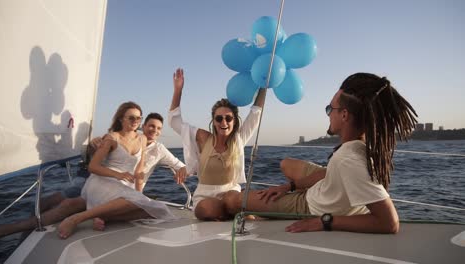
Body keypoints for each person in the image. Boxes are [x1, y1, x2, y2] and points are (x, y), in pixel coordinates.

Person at [225, 73, 418, 234]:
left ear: (344, 115)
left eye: (330, 109)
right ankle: (280, 201)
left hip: (314, 206)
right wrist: (289, 186)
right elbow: (330, 174)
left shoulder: (348, 159)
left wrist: (325, 221)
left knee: (231, 200)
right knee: (286, 164)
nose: (328, 114)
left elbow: (389, 223)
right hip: (325, 191)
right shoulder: (359, 146)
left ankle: (270, 210)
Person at [0, 111, 187, 239]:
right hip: (104, 186)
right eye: (151, 126)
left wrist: (181, 170)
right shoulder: (118, 138)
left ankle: (97, 215)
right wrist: (97, 145)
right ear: (142, 126)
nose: (155, 131)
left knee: (156, 210)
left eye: (159, 129)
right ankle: (12, 228)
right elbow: (97, 160)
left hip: (125, 194)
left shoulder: (160, 150)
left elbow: (181, 165)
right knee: (66, 201)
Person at [57, 102, 177, 239]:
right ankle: (76, 219)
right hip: (103, 184)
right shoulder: (111, 137)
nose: (135, 121)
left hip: (123, 188)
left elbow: (139, 170)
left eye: (138, 118)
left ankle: (105, 217)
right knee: (61, 199)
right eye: (131, 118)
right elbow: (93, 167)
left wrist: (139, 195)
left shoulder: (142, 139)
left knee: (158, 211)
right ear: (121, 119)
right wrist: (119, 175)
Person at [168, 68, 266, 221]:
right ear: (213, 121)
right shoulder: (202, 137)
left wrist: (264, 83)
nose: (224, 122)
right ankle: (238, 213)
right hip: (204, 196)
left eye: (228, 118)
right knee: (208, 209)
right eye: (219, 118)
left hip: (230, 192)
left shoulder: (238, 139)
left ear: (235, 121)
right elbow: (174, 122)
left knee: (232, 200)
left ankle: (237, 212)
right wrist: (178, 90)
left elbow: (256, 112)